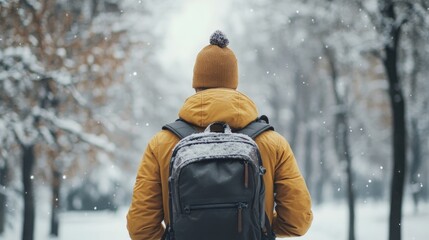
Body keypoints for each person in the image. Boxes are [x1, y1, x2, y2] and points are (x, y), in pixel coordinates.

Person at [126, 30, 313, 240]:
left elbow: (140, 227)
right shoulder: (273, 143)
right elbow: (298, 221)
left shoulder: (161, 144)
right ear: (234, 83)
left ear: (196, 83)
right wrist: (259, 224)